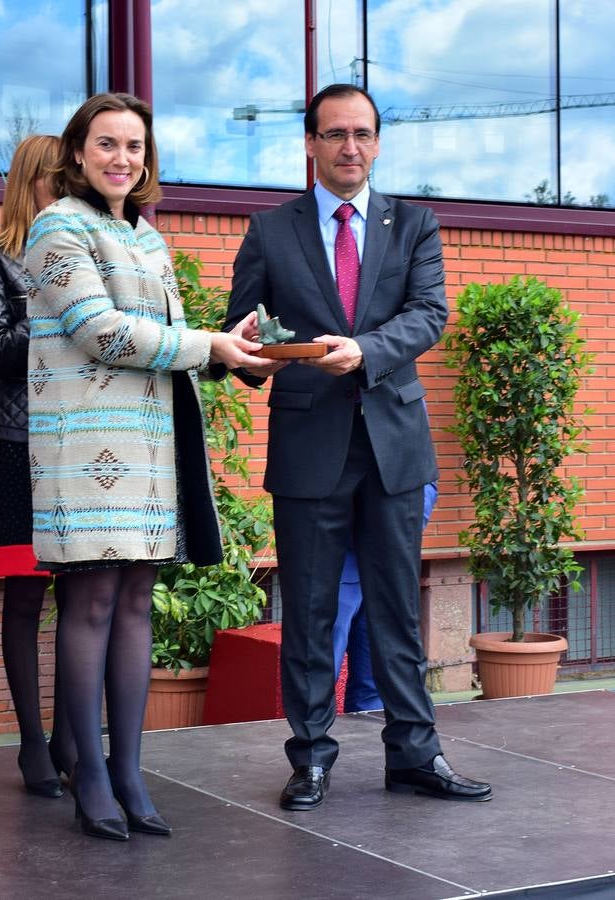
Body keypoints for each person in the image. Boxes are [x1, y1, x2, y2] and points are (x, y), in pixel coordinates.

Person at [222, 83, 491, 810]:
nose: (350, 147)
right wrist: (246, 355)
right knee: (309, 612)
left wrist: (365, 350)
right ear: (309, 143)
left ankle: (415, 753)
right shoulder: (270, 231)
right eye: (335, 134)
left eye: (363, 134)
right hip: (310, 445)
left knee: (397, 608)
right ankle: (309, 758)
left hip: (395, 446)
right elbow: (244, 327)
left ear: (377, 142)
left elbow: (428, 313)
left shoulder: (414, 224)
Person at [25, 92, 263, 841]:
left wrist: (230, 346)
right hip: (84, 446)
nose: (121, 158)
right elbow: (100, 332)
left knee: (134, 605)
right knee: (90, 602)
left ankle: (128, 771)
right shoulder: (56, 225)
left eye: (134, 146)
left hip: (150, 449)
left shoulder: (149, 239)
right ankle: (87, 773)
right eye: (106, 144)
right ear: (77, 153)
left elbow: (168, 339)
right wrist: (209, 344)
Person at [0, 134, 76, 798]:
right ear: (30, 182)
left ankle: (71, 735)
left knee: (84, 594)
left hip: (87, 443)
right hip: (18, 444)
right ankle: (33, 744)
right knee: (26, 594)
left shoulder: (94, 253)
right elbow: (2, 351)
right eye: (55, 179)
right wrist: (65, 304)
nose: (66, 189)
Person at [333, 480, 437, 712]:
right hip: (334, 571)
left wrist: (393, 528)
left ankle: (367, 744)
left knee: (373, 690)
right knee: (319, 677)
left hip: (386, 574)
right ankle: (312, 746)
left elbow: (424, 484)